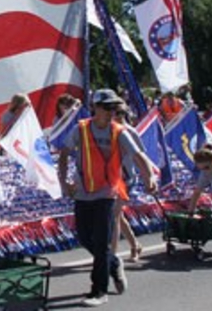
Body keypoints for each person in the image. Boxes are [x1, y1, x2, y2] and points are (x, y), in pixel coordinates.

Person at [58, 88, 158, 307]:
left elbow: (138, 155)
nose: (112, 112)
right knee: (84, 237)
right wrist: (64, 181)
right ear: (95, 108)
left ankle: (98, 291)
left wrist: (149, 176)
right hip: (84, 192)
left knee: (103, 241)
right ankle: (113, 264)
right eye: (107, 107)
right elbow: (64, 154)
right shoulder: (81, 129)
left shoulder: (119, 131)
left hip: (108, 192)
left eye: (114, 108)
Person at [110, 105, 143, 263]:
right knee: (117, 214)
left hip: (127, 178)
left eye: (120, 114)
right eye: (114, 113)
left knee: (115, 213)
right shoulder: (107, 130)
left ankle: (113, 254)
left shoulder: (130, 132)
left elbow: (141, 155)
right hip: (111, 178)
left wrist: (147, 176)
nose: (116, 117)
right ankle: (134, 245)